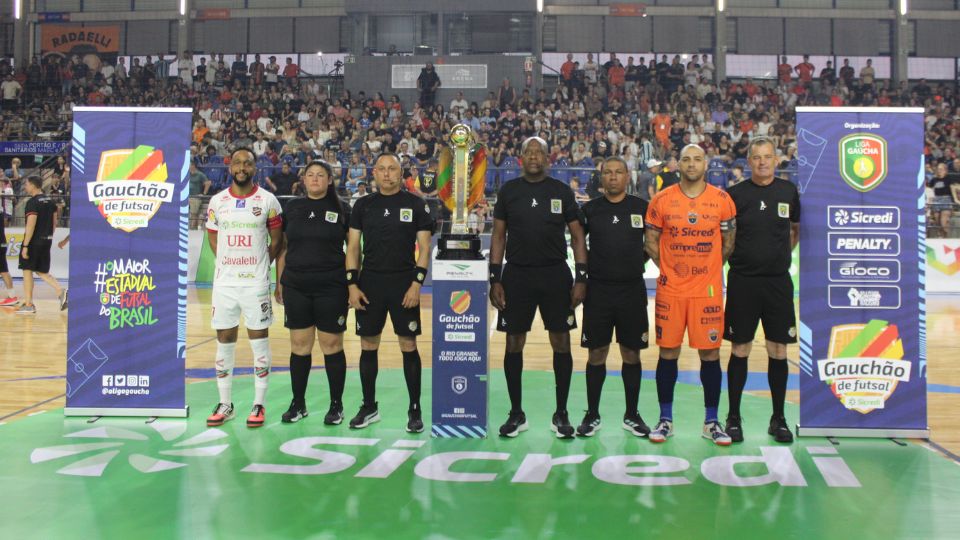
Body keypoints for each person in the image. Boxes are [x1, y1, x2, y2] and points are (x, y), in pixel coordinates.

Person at [489, 136, 587, 438]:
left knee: (561, 342)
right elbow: (498, 236)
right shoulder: (509, 191)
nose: (533, 156)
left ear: (547, 158)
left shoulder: (561, 191)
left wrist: (581, 278)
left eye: (539, 152)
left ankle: (562, 413)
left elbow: (578, 236)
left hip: (555, 274)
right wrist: (495, 278)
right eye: (528, 152)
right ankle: (516, 412)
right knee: (513, 343)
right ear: (521, 158)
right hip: (517, 275)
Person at [644, 144, 736, 446]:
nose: (692, 164)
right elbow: (651, 241)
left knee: (710, 354)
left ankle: (711, 422)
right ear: (678, 164)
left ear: (705, 164)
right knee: (668, 352)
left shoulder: (722, 200)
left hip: (707, 292)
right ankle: (665, 420)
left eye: (697, 159)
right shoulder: (661, 200)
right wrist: (671, 269)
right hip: (671, 290)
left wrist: (708, 270)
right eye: (686, 159)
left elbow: (729, 242)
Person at [346, 153, 434, 432]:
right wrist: (352, 284)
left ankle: (414, 409)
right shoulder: (363, 205)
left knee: (408, 345)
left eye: (392, 169)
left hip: (403, 284)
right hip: (370, 284)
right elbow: (353, 248)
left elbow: (425, 248)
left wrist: (417, 284)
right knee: (368, 345)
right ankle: (369, 407)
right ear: (374, 173)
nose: (386, 174)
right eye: (382, 169)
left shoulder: (415, 204)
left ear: (400, 172)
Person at [723, 137, 800, 444]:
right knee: (739, 348)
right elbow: (727, 236)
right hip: (743, 281)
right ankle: (733, 417)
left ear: (776, 160)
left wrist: (779, 255)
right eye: (757, 157)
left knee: (778, 350)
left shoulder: (788, 191)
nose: (763, 162)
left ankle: (778, 418)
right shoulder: (735, 195)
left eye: (768, 156)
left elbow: (795, 229)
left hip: (777, 282)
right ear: (749, 162)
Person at [204, 148, 284, 428]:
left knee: (259, 341)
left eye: (247, 163)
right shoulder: (217, 201)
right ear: (230, 167)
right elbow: (212, 237)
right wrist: (227, 262)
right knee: (224, 340)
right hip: (225, 283)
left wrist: (261, 265)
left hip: (255, 283)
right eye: (237, 163)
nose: (241, 168)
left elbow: (277, 240)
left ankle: (258, 404)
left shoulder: (269, 200)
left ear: (254, 168)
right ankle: (225, 403)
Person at [576, 157, 651, 437]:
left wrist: (636, 261)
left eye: (619, 172)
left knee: (631, 353)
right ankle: (592, 414)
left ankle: (632, 414)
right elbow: (578, 244)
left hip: (632, 290)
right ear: (601, 177)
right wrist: (583, 274)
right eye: (608, 172)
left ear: (627, 176)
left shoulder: (641, 207)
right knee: (597, 353)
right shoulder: (590, 209)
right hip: (598, 291)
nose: (613, 176)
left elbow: (652, 243)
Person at [274, 161, 350, 425]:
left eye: (320, 175)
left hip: (332, 286)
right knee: (299, 346)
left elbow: (353, 250)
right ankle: (298, 403)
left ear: (329, 180)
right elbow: (283, 248)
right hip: (296, 286)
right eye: (310, 175)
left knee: (331, 345)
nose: (315, 179)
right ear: (303, 180)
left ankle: (336, 405)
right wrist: (279, 282)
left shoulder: (342, 209)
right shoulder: (292, 208)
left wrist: (352, 283)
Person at [16, 176, 67, 314]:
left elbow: (30, 225)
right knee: (41, 270)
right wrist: (47, 237)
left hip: (34, 241)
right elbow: (54, 224)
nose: (25, 187)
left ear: (33, 185)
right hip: (46, 240)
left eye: (26, 184)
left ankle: (29, 304)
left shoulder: (32, 202)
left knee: (27, 270)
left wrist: (25, 245)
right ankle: (60, 291)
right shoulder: (51, 202)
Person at [0, 205, 19, 306]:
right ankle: (12, 296)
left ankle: (12, 297)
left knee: (3, 271)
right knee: (4, 270)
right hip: (2, 243)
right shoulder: (1, 212)